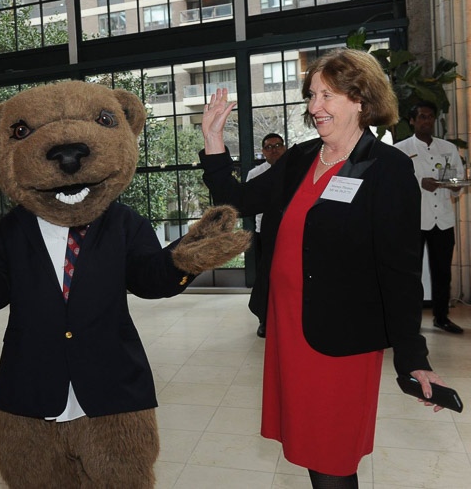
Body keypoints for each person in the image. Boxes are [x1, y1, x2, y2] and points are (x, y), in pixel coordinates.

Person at [199, 49, 449, 489]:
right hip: (291, 327)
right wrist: (214, 141)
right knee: (311, 449)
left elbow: (400, 271)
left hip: (341, 339)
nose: (314, 107)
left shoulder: (386, 168)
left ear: (361, 100)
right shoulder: (300, 158)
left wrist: (413, 357)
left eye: (327, 96)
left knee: (333, 456)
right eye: (312, 95)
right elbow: (239, 202)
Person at [394, 101, 465, 334]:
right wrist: (419, 183)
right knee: (410, 272)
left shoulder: (448, 148)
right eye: (422, 116)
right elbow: (394, 185)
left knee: (442, 271)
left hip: (442, 219)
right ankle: (409, 320)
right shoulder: (400, 149)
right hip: (414, 221)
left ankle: (441, 317)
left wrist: (455, 186)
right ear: (412, 121)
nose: (427, 121)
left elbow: (458, 180)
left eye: (431, 116)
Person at [246, 133, 286, 338]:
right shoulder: (255, 174)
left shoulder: (296, 171)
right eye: (269, 147)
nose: (274, 149)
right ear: (263, 152)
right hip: (265, 233)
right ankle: (264, 319)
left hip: (290, 233)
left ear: (285, 147)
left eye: (278, 145)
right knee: (265, 278)